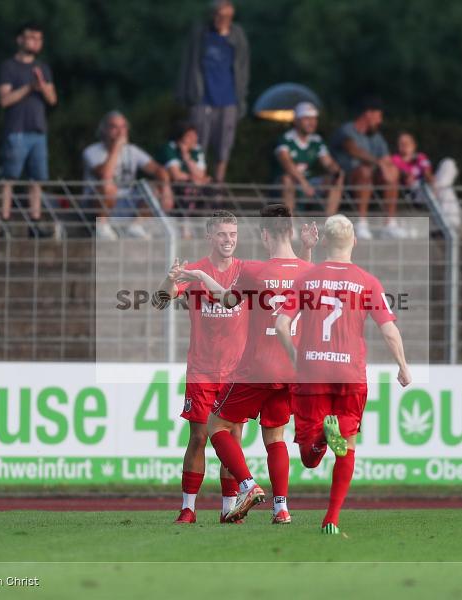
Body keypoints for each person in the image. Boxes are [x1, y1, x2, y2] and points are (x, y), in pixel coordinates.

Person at [174, 205, 319, 524]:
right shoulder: (309, 272)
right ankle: (281, 508)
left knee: (217, 426)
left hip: (256, 367)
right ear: (292, 232)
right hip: (291, 370)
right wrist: (308, 251)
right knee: (275, 438)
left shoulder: (254, 270)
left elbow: (227, 299)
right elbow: (300, 287)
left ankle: (248, 484)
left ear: (264, 234)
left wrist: (199, 276)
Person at [275, 214, 411, 534]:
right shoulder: (366, 281)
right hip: (349, 373)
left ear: (323, 242)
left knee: (308, 458)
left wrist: (295, 356)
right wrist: (403, 366)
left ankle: (320, 439)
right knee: (347, 447)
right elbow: (389, 331)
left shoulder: (307, 278)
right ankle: (332, 518)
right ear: (354, 242)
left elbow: (282, 324)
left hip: (312, 371)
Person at [154, 211, 249, 524]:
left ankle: (228, 508)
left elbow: (231, 302)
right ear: (210, 236)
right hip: (202, 370)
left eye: (232, 235)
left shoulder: (244, 273)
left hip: (236, 372)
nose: (228, 240)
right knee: (198, 437)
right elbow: (160, 299)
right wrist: (171, 278)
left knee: (232, 439)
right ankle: (188, 507)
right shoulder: (194, 271)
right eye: (222, 234)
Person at [176, 0, 250, 183]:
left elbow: (243, 66)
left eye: (227, 17)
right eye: (219, 15)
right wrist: (184, 93)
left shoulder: (237, 35)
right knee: (198, 144)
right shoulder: (201, 33)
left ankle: (218, 188)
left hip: (228, 98)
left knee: (224, 147)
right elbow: (188, 63)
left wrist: (242, 98)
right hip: (202, 97)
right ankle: (198, 184)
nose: (222, 20)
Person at [0, 23, 57, 228]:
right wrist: (28, 88)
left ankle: (35, 221)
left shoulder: (43, 68)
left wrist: (41, 88)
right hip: (16, 130)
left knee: (37, 179)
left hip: (38, 130)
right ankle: (4, 221)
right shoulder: (8, 67)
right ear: (20, 40)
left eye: (38, 39)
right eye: (31, 37)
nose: (35, 42)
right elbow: (5, 100)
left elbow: (52, 99)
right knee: (9, 177)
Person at [82, 111, 173, 240]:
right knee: (108, 186)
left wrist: (166, 188)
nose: (120, 131)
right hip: (97, 204)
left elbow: (159, 170)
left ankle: (136, 226)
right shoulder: (91, 151)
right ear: (104, 130)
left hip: (127, 200)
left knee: (153, 188)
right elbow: (105, 175)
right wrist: (116, 148)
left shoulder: (132, 150)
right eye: (114, 127)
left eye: (123, 127)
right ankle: (102, 227)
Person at [330, 97, 402, 240]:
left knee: (392, 173)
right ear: (368, 114)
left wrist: (390, 169)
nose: (380, 121)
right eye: (379, 116)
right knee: (364, 171)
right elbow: (353, 150)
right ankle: (361, 223)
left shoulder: (376, 137)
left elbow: (386, 159)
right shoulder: (347, 130)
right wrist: (378, 162)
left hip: (372, 180)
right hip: (346, 179)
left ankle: (390, 224)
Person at [274, 102, 344, 216]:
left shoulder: (316, 140)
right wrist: (303, 183)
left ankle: (329, 225)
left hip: (309, 182)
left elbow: (328, 162)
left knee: (335, 180)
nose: (312, 122)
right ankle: (290, 227)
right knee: (287, 180)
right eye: (307, 118)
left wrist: (337, 172)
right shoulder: (285, 139)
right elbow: (287, 163)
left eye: (314, 118)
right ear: (296, 121)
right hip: (285, 183)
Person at [391, 132, 461, 230]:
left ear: (414, 145)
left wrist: (433, 183)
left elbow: (428, 173)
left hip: (429, 186)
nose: (404, 146)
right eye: (402, 143)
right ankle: (451, 224)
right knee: (446, 189)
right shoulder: (396, 159)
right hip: (415, 192)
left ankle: (447, 223)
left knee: (448, 163)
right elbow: (405, 177)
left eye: (407, 143)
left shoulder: (420, 157)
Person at [160, 121, 210, 223]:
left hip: (192, 185)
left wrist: (187, 158)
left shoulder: (197, 150)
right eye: (189, 136)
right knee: (188, 188)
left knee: (214, 188)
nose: (193, 139)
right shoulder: (169, 148)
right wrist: (194, 178)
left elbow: (201, 174)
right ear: (180, 138)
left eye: (195, 135)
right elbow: (176, 175)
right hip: (170, 186)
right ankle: (184, 227)